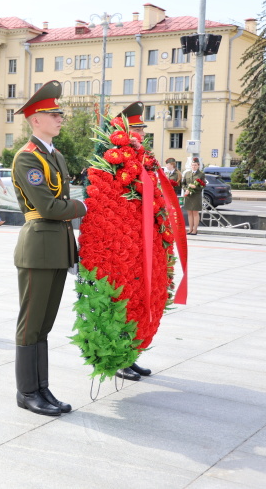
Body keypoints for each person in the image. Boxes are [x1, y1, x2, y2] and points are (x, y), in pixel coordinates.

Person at [11, 81, 86, 416]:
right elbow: (49, 208)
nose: (60, 118)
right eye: (53, 113)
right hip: (38, 246)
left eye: (59, 113)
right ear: (35, 119)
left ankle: (42, 389)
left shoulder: (54, 155)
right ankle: (27, 391)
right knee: (30, 324)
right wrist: (84, 207)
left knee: (44, 325)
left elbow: (60, 205)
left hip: (56, 248)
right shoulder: (27, 159)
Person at [112, 102, 153, 382]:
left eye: (141, 129)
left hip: (140, 238)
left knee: (138, 299)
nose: (141, 134)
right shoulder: (114, 158)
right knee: (122, 300)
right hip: (120, 241)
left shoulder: (141, 157)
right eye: (136, 129)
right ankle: (119, 358)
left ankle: (132, 355)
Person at [182, 157, 206, 235]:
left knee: (195, 212)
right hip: (189, 195)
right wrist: (186, 189)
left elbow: (203, 185)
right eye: (192, 165)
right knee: (189, 212)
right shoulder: (187, 173)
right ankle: (190, 228)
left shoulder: (201, 174)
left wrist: (196, 187)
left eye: (195, 165)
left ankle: (195, 229)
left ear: (198, 165)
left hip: (196, 195)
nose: (194, 166)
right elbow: (183, 183)